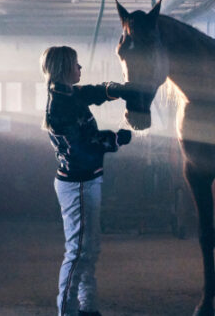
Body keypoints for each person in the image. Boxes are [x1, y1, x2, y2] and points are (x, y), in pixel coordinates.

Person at [40, 45, 134, 316]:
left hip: (85, 181)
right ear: (64, 69)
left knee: (88, 249)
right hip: (78, 184)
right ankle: (67, 311)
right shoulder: (59, 106)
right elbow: (81, 147)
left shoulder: (68, 93)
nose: (80, 68)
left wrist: (121, 89)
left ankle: (87, 307)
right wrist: (116, 139)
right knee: (79, 251)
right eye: (76, 64)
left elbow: (93, 92)